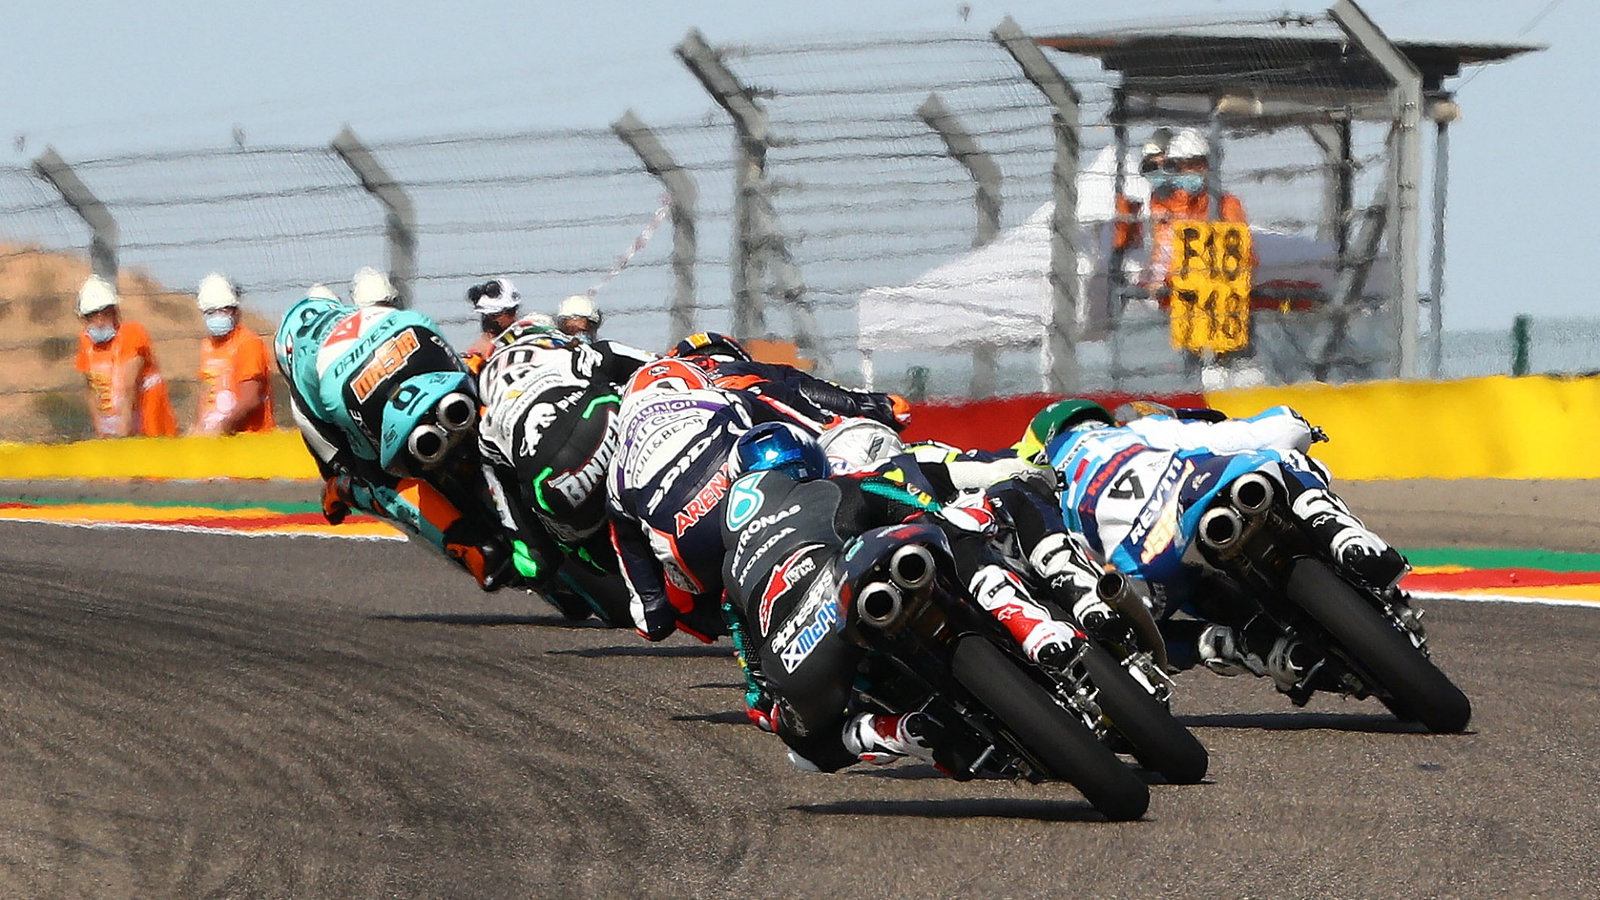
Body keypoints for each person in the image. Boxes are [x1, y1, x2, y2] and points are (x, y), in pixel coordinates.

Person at [719, 422, 1089, 771]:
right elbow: (900, 502)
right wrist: (940, 517)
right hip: (846, 585)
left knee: (805, 751)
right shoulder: (836, 487)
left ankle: (891, 731)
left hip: (798, 660)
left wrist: (774, 708)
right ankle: (1032, 626)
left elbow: (755, 689)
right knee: (947, 533)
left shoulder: (730, 570)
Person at [1027, 398, 1407, 692]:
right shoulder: (1140, 429)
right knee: (1282, 458)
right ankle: (1346, 539)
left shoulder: (1056, 496)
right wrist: (1300, 425)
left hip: (1143, 560)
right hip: (1191, 496)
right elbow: (1263, 431)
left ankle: (1238, 646)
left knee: (1132, 633)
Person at [275, 273, 522, 592]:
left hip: (345, 382)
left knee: (379, 484)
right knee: (472, 392)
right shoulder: (353, 315)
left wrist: (342, 485)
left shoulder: (300, 379)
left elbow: (331, 459)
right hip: (406, 329)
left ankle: (475, 548)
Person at [476, 317, 654, 578]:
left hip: (556, 486)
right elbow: (658, 365)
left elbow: (505, 498)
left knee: (561, 551)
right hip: (604, 427)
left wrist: (531, 553)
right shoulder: (567, 354)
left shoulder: (488, 423)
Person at [1113, 127, 1249, 290]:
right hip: (1163, 290)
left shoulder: (1223, 205)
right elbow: (1148, 248)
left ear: (1206, 166)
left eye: (1195, 165)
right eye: (1180, 166)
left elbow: (1242, 256)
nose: (1188, 172)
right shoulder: (1156, 204)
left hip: (1210, 291)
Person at [73, 275, 178, 439]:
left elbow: (128, 389)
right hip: (113, 421)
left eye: (105, 314)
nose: (99, 322)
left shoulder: (132, 335)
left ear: (115, 313)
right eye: (93, 316)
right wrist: (102, 433)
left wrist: (122, 439)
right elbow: (92, 391)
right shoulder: (86, 342)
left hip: (148, 422)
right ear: (83, 319)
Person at [192, 273, 275, 435]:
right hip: (214, 442)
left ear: (236, 311)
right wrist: (196, 430)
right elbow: (206, 392)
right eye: (211, 312)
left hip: (246, 438)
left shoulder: (248, 343)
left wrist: (221, 430)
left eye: (223, 310)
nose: (217, 316)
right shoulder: (207, 346)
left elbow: (250, 399)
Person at [465, 278, 522, 359]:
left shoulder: (527, 337)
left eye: (494, 315)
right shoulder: (481, 345)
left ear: (511, 313)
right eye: (484, 315)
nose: (489, 321)